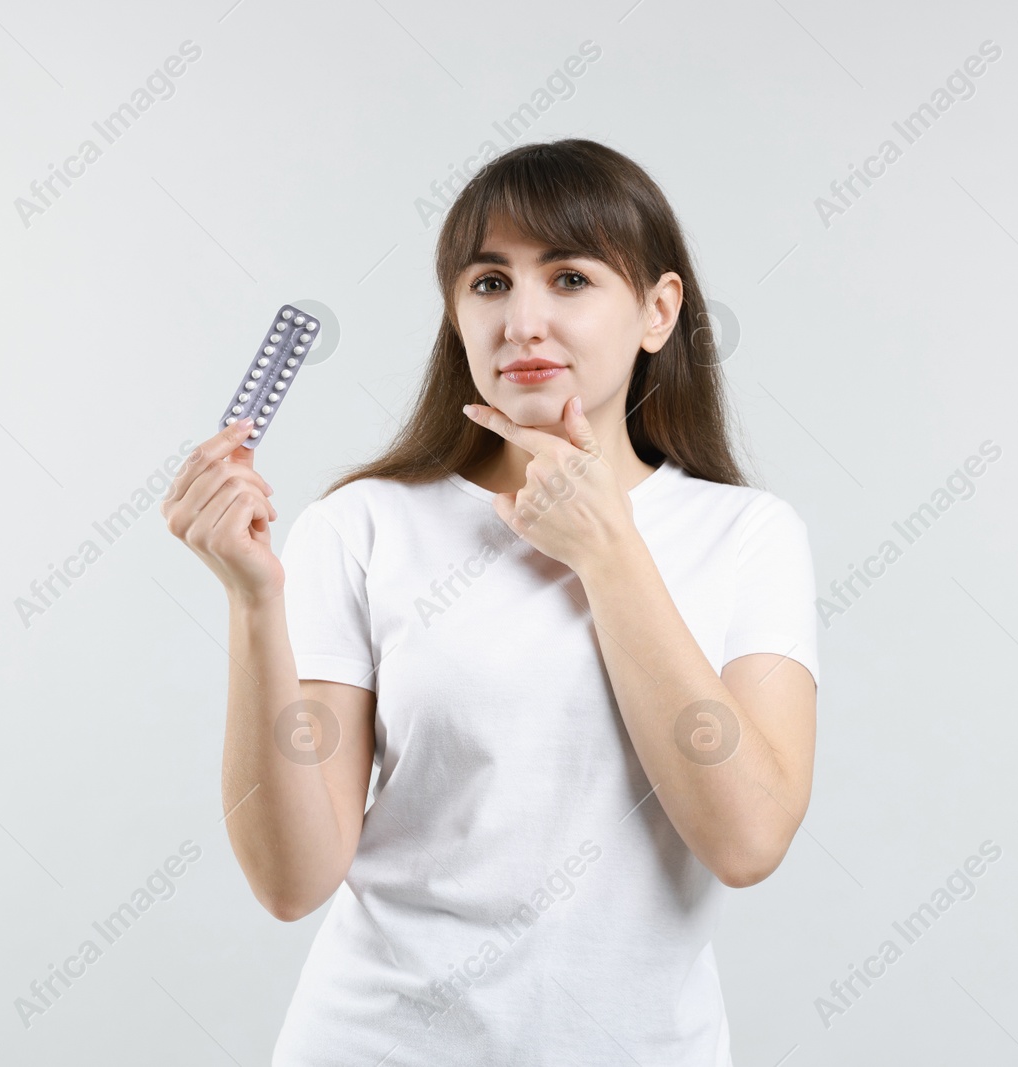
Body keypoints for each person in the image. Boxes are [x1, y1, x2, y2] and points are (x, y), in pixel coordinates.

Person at [162, 138, 819, 1065]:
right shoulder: (362, 526)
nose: (524, 321)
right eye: (490, 283)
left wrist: (605, 546)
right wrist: (255, 605)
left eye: (571, 278)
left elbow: (747, 838)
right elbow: (292, 878)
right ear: (455, 314)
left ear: (658, 311)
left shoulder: (748, 535)